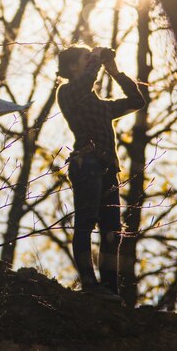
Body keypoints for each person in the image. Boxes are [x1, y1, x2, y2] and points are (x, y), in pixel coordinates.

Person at [56, 45, 145, 299]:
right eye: (86, 59)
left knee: (112, 231)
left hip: (108, 169)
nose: (92, 62)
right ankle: (89, 285)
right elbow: (85, 84)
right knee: (85, 223)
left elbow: (137, 102)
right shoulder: (68, 92)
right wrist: (96, 57)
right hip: (87, 163)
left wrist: (115, 72)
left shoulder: (103, 107)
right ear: (73, 66)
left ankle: (109, 289)